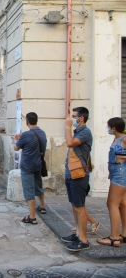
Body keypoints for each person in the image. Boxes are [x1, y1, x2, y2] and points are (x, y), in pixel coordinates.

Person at [61, 107, 93, 252]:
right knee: (75, 206)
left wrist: (67, 127)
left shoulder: (85, 132)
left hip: (79, 175)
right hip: (72, 173)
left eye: (74, 116)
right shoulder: (78, 131)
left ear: (81, 118)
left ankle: (83, 240)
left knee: (80, 207)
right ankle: (78, 234)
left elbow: (70, 143)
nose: (71, 119)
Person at [97, 117, 126, 247]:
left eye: (108, 126)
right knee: (122, 204)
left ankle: (114, 238)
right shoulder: (117, 139)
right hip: (116, 173)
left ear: (113, 128)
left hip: (121, 174)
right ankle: (124, 234)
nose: (107, 128)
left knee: (112, 204)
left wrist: (123, 157)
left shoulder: (124, 138)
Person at [14, 112, 47, 225]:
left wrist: (17, 139)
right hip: (38, 164)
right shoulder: (42, 133)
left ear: (27, 122)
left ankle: (32, 217)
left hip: (28, 165)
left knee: (29, 190)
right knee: (38, 186)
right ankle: (42, 207)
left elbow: (16, 147)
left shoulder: (26, 135)